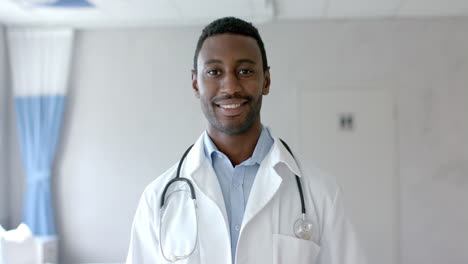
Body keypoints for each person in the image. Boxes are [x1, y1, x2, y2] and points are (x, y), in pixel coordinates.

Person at [126, 17, 366, 264]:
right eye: (214, 72)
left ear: (266, 80)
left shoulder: (320, 192)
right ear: (196, 83)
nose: (230, 86)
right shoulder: (158, 200)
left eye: (245, 71)